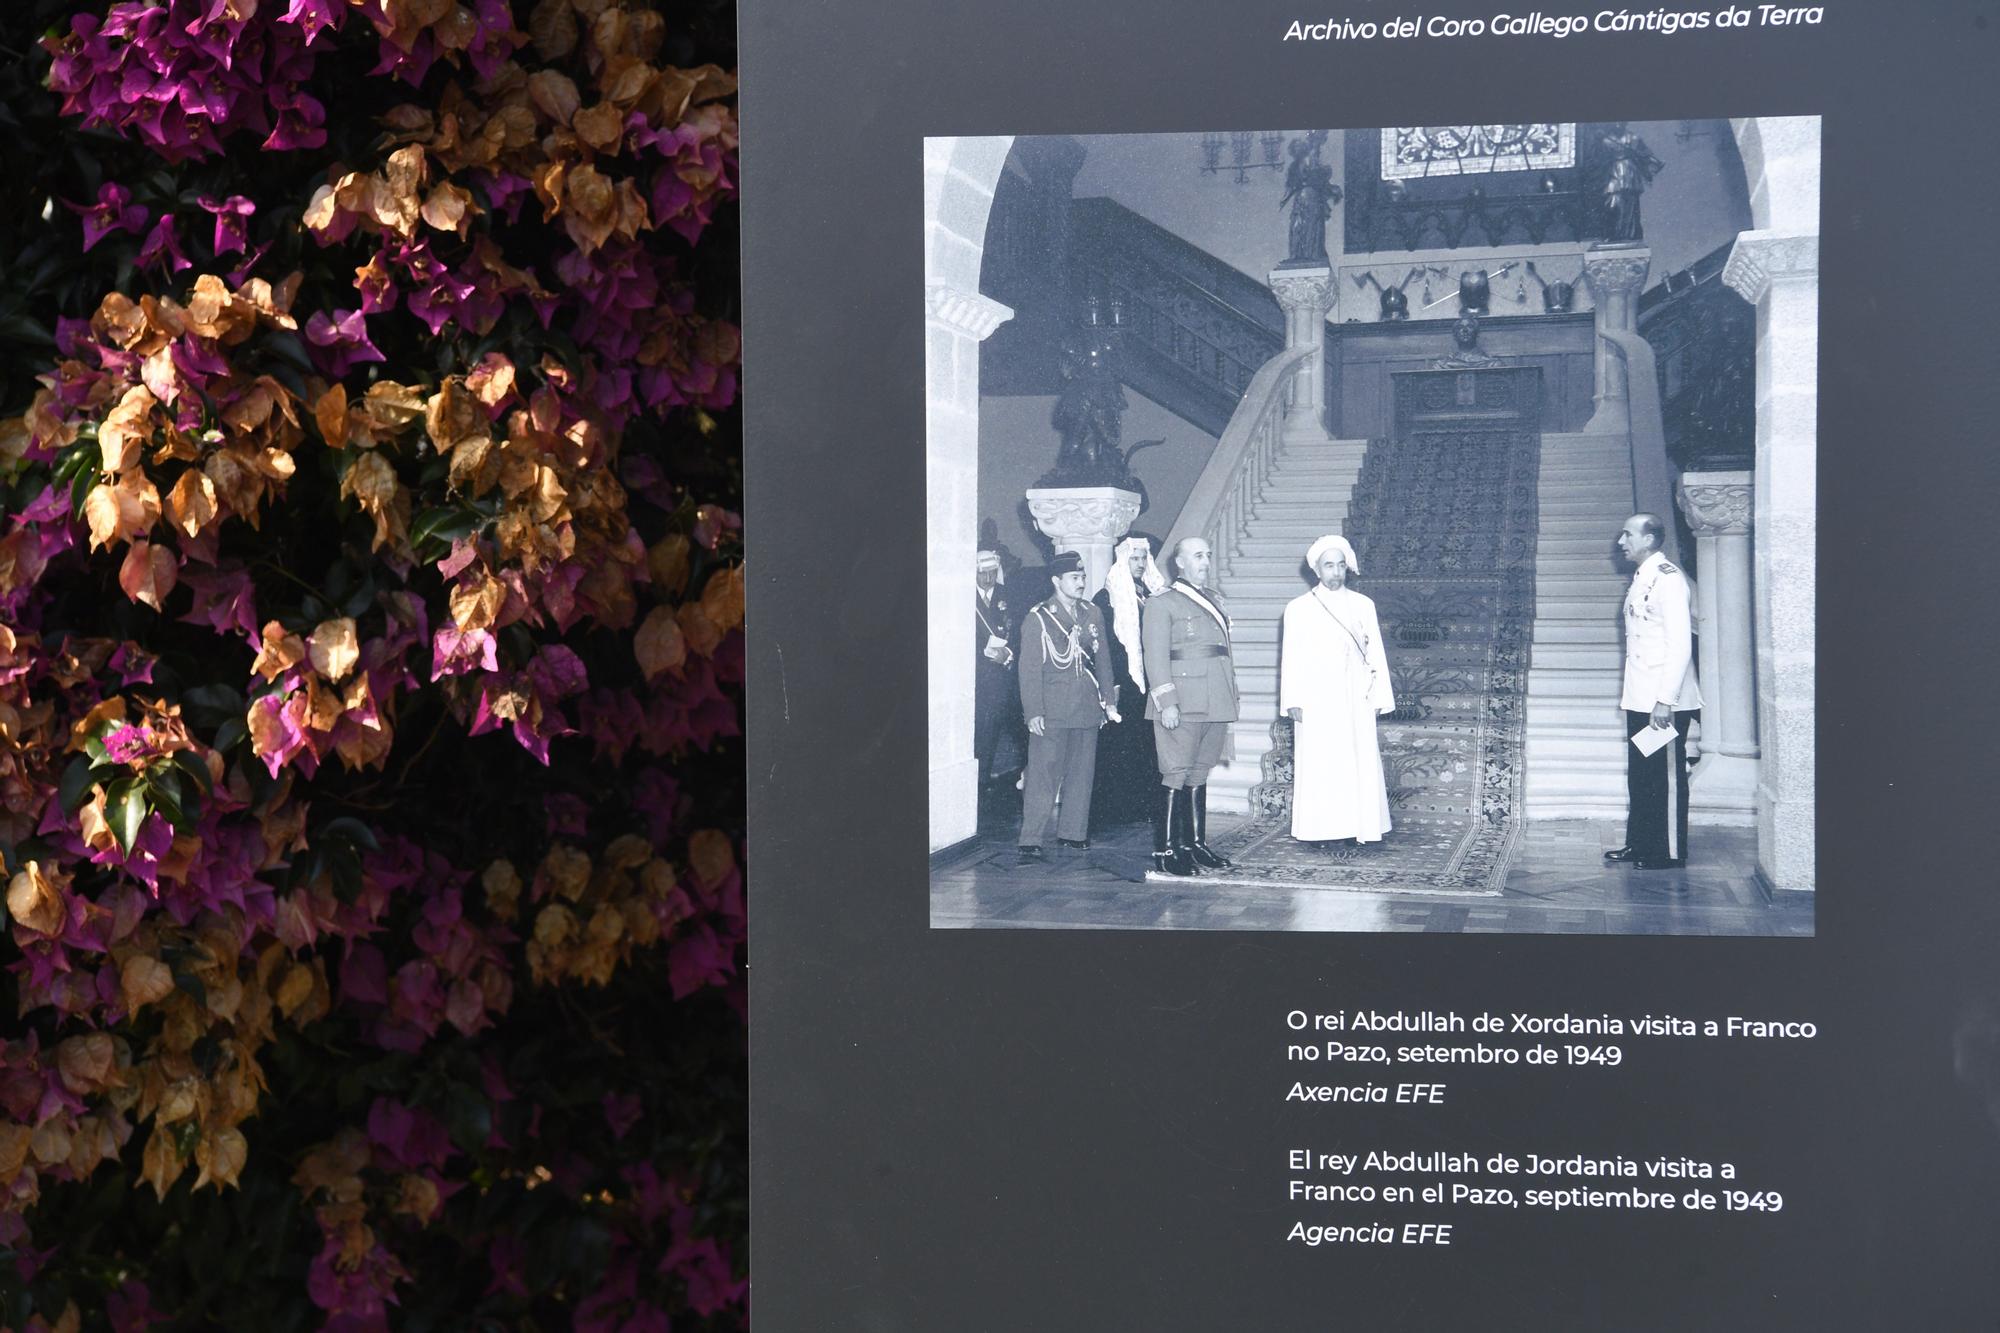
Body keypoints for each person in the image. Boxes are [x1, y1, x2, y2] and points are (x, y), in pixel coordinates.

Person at [1279, 535, 1396, 847]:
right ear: (1316, 570)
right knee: (1322, 761)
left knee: (1356, 760)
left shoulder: (1363, 605)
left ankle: (1359, 827)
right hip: (1317, 696)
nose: (1335, 572)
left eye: (1340, 565)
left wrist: (1379, 696)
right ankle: (1321, 830)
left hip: (1356, 692)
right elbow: (1291, 656)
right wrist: (1292, 699)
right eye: (1328, 566)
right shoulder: (1298, 608)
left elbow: (1376, 654)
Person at [1605, 513, 1703, 874]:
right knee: (1643, 774)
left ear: (1649, 539)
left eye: (1628, 534)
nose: (1621, 541)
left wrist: (1665, 699)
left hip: (1665, 701)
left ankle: (1668, 851)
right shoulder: (1642, 578)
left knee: (1666, 777)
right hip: (1642, 697)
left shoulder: (1669, 580)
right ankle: (1642, 842)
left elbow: (1680, 644)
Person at [1141, 536, 1238, 877]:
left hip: (1216, 697)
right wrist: (1167, 701)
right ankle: (1166, 850)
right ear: (1179, 562)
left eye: (1208, 555)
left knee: (1199, 772)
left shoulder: (1213, 599)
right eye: (1198, 556)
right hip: (1182, 701)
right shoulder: (1162, 603)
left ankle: (1193, 844)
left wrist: (1231, 695)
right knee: (1175, 772)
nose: (1206, 561)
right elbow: (1154, 658)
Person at [1016, 550, 1120, 863]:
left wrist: (1109, 700)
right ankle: (1031, 837)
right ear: (1056, 581)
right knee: (1042, 776)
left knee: (1081, 774)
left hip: (1087, 707)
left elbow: (1103, 660)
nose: (1081, 582)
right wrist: (1033, 710)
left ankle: (1073, 833)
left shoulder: (1092, 613)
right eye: (1074, 578)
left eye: (1083, 577)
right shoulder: (1038, 617)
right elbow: (1029, 669)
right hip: (1053, 710)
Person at [1091, 535, 1167, 826]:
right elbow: (1106, 646)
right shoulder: (1107, 597)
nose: (1139, 564)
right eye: (1134, 558)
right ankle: (1113, 810)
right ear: (1123, 560)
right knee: (1118, 744)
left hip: (1149, 680)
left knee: (1146, 743)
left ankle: (1141, 806)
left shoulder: (1150, 593)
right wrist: (1112, 684)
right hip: (1123, 681)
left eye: (1143, 558)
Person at [972, 549, 1018, 788]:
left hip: (1002, 675)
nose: (987, 579)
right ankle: (977, 782)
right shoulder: (965, 597)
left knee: (997, 729)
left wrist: (1007, 654)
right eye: (982, 574)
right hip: (977, 676)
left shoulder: (1006, 595)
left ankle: (987, 778)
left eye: (991, 573)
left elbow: (1015, 629)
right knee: (980, 730)